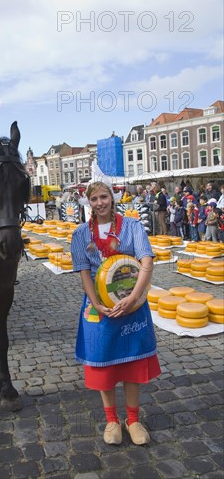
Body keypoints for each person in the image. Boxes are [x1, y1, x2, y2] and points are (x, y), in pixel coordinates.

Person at [70, 181, 160, 446]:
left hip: (132, 307)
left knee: (132, 362)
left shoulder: (132, 227)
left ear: (113, 198)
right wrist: (96, 302)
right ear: (88, 202)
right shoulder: (80, 235)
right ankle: (111, 420)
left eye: (104, 197)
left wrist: (133, 298)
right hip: (100, 309)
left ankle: (133, 420)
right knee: (104, 363)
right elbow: (84, 272)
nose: (100, 203)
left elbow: (147, 261)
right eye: (94, 199)